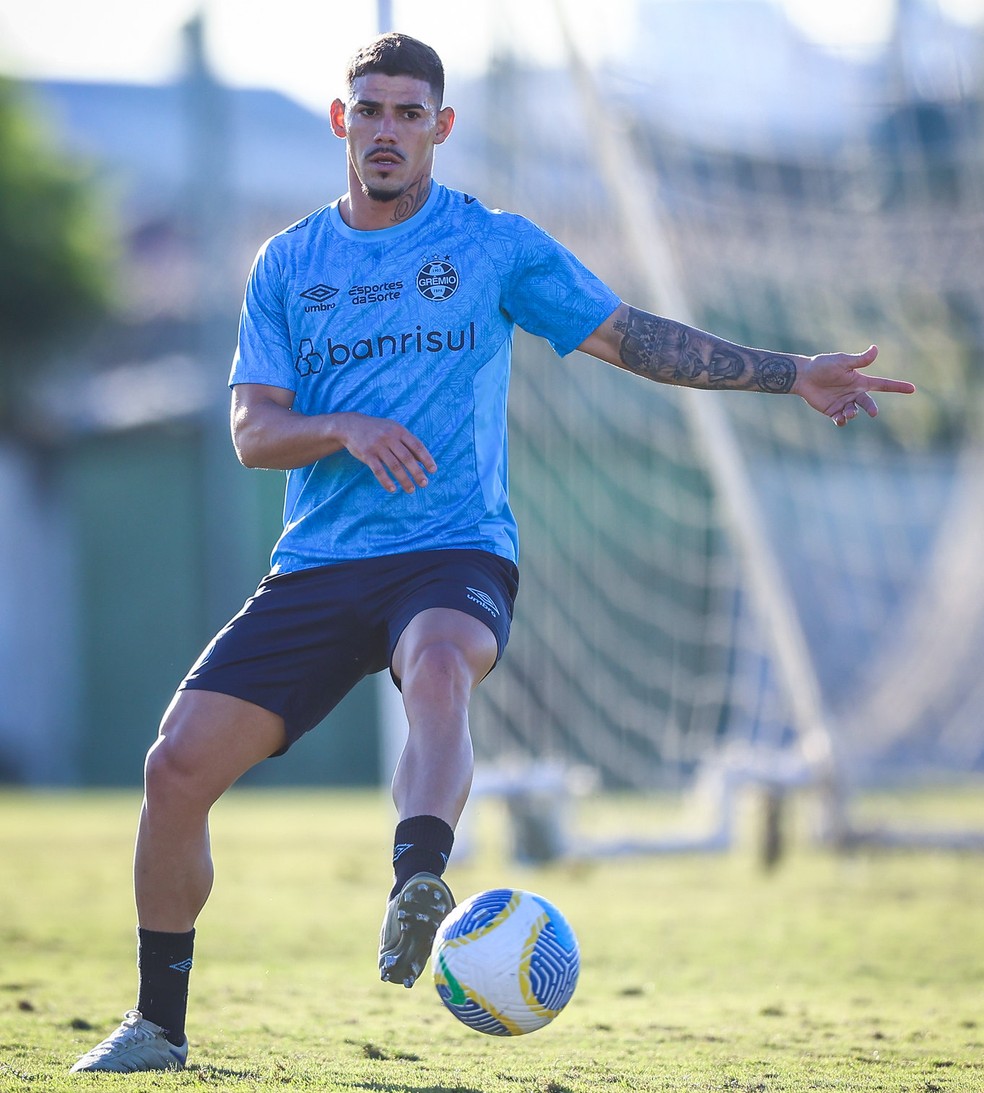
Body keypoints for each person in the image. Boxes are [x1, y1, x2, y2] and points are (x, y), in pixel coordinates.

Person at [70, 32, 916, 1073]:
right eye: (368, 110)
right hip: (320, 563)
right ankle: (158, 1022)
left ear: (441, 127)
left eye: (407, 113)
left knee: (436, 663)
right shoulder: (288, 262)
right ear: (342, 121)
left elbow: (632, 338)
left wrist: (793, 373)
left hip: (453, 544)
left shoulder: (493, 245)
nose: (386, 130)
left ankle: (418, 879)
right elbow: (253, 433)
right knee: (174, 768)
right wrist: (342, 427)